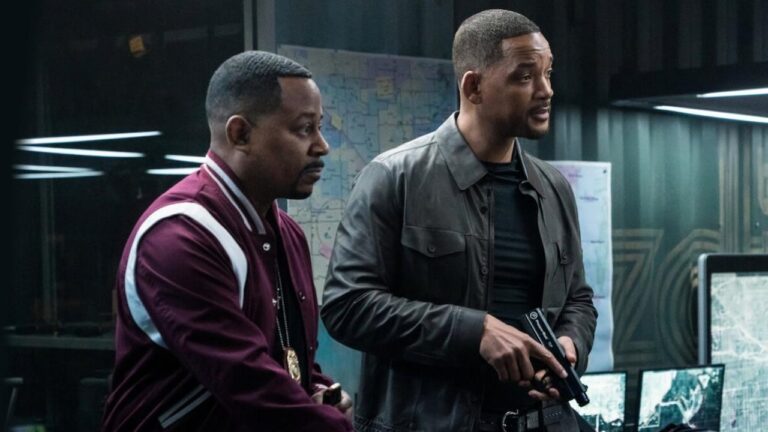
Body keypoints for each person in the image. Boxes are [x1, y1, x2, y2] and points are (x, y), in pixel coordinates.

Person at [321, 9, 597, 432]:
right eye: (525, 77)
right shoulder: (394, 177)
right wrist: (474, 332)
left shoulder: (552, 187)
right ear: (473, 87)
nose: (546, 91)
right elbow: (347, 305)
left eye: (547, 74)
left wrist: (570, 343)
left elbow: (578, 298)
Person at [102, 51, 353, 431]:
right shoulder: (178, 237)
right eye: (304, 129)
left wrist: (315, 388)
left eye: (318, 127)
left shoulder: (287, 232)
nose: (322, 146)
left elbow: (284, 355)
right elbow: (247, 382)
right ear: (241, 134)